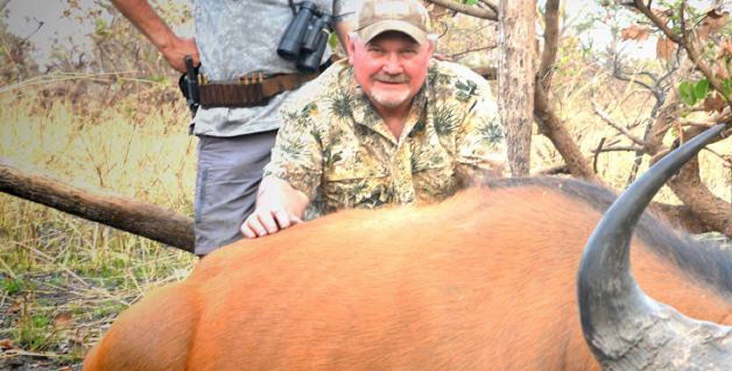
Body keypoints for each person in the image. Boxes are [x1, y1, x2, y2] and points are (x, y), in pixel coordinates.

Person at [239, 0, 508, 239]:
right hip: (347, 267)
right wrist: (273, 210)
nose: (392, 68)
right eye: (377, 51)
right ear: (353, 49)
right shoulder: (313, 104)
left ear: (429, 51)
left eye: (407, 52)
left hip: (440, 257)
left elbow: (484, 193)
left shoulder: (465, 94)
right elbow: (288, 183)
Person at [111, 0, 354, 256]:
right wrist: (168, 43)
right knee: (221, 261)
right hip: (234, 126)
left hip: (318, 116)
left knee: (330, 253)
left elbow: (350, 22)